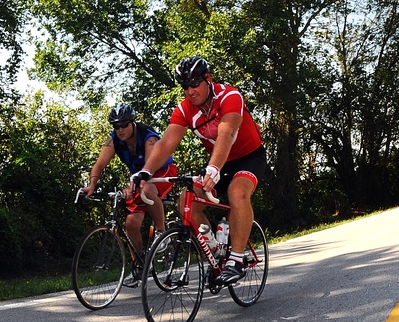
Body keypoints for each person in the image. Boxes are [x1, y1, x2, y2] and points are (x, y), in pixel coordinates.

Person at [134, 55, 267, 287]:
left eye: (195, 84)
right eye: (185, 86)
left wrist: (214, 168)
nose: (190, 91)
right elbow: (165, 144)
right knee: (187, 200)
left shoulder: (230, 96)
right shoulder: (185, 110)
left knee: (237, 192)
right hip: (220, 161)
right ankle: (215, 251)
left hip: (249, 156)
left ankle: (235, 260)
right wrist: (145, 171)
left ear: (208, 79)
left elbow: (227, 133)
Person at [82, 105, 174, 277]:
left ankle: (162, 233)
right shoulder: (113, 140)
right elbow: (100, 164)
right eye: (116, 126)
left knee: (146, 189)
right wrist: (91, 185)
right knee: (131, 224)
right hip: (137, 179)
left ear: (133, 123)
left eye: (124, 124)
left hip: (160, 172)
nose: (120, 129)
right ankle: (140, 266)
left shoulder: (148, 138)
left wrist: (133, 186)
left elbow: (149, 167)